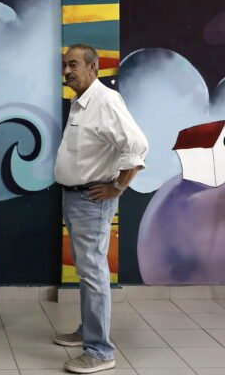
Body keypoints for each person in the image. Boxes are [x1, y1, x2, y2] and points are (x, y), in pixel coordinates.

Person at [53, 44, 149, 374]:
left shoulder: (105, 101)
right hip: (75, 198)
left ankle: (99, 351)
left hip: (91, 200)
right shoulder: (81, 102)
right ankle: (88, 332)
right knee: (87, 271)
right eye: (65, 65)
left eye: (74, 65)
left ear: (93, 67)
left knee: (93, 273)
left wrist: (118, 187)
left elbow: (137, 146)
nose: (67, 71)